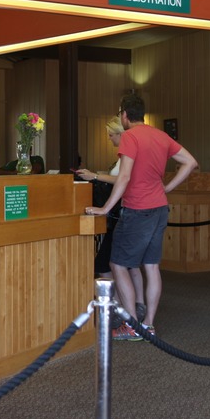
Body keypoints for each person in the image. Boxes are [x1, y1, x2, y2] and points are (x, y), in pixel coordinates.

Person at [86, 94, 198, 340]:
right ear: (143, 114)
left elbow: (124, 177)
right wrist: (167, 188)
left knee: (117, 264)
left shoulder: (130, 137)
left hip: (138, 210)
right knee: (151, 266)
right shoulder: (160, 135)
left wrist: (105, 208)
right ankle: (148, 325)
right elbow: (190, 163)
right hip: (160, 209)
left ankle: (132, 325)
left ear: (124, 115)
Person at [75, 116, 145, 322]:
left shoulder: (127, 156)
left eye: (111, 135)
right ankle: (134, 306)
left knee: (109, 264)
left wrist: (95, 176)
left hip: (123, 213)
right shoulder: (125, 155)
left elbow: (123, 179)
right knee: (130, 265)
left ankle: (120, 307)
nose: (109, 139)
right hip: (124, 213)